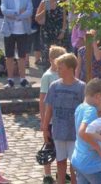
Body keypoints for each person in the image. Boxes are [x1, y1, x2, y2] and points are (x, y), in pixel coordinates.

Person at [42, 53, 86, 184]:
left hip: (74, 133)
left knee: (74, 164)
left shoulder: (81, 87)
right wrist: (45, 128)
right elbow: (48, 108)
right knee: (60, 161)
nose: (58, 70)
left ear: (70, 68)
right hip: (58, 132)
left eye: (61, 67)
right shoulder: (54, 86)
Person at [39, 45, 66, 184]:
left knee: (62, 146)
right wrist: (43, 121)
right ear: (51, 60)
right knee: (48, 147)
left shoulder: (64, 75)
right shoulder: (47, 76)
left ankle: (60, 172)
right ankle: (47, 174)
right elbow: (42, 99)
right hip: (50, 120)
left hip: (62, 119)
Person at [71, 78, 101, 184]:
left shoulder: (80, 107)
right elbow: (82, 132)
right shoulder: (91, 110)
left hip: (78, 159)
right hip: (91, 163)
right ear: (97, 95)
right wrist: (98, 148)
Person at [0, 0, 33, 88]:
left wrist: (16, 16)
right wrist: (18, 12)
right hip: (9, 30)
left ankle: (23, 79)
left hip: (23, 30)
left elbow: (29, 11)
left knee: (22, 56)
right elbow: (4, 11)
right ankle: (10, 79)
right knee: (9, 56)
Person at [36, 0, 69, 70]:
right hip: (46, 32)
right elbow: (37, 18)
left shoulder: (62, 3)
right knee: (46, 54)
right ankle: (47, 73)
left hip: (58, 31)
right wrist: (45, 10)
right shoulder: (44, 3)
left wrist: (63, 31)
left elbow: (65, 19)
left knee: (59, 54)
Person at [23, 0, 45, 66]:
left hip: (39, 18)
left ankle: (37, 59)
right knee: (28, 39)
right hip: (29, 18)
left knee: (38, 38)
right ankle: (26, 60)